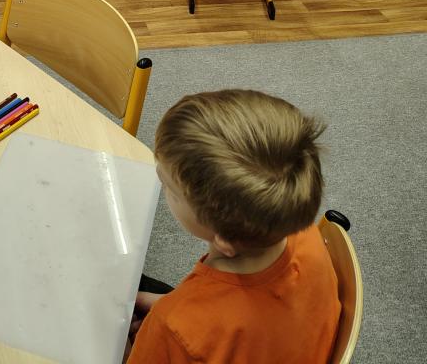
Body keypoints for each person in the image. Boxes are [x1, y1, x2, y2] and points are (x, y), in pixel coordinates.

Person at [127, 89, 341, 364]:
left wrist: (151, 334)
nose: (160, 180)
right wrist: (168, 311)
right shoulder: (308, 237)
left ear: (225, 240)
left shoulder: (174, 326)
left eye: (168, 186)